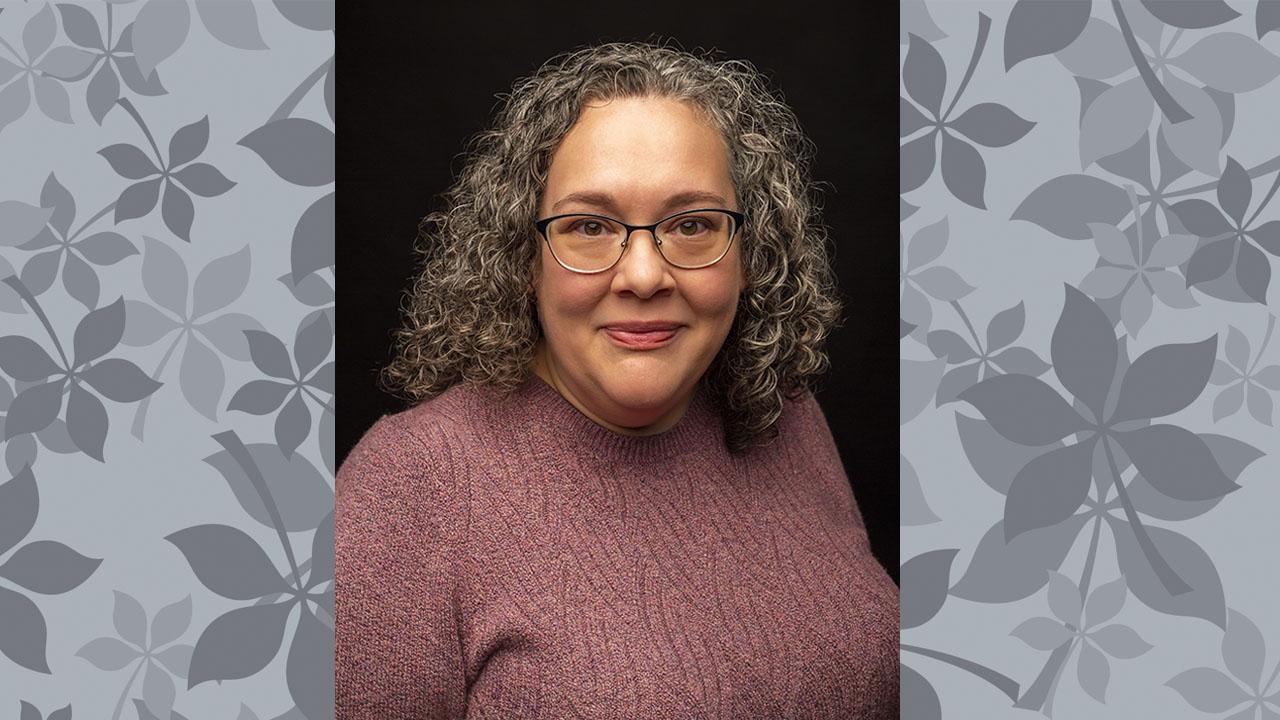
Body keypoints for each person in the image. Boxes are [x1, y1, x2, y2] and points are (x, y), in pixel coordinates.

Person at [336, 41, 898, 719]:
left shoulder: (784, 415)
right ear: (524, 256)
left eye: (692, 224)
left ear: (752, 253)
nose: (642, 275)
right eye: (589, 227)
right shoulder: (410, 485)